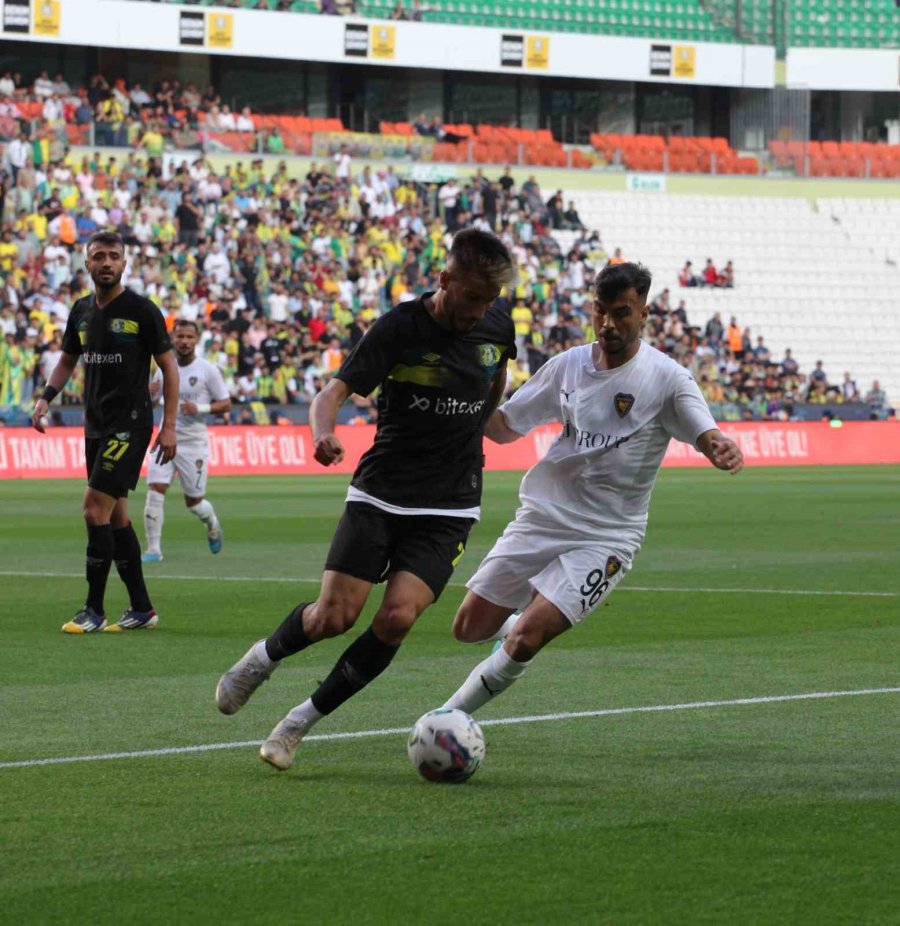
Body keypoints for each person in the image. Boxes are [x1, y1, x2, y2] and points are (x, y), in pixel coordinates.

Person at [215, 229, 518, 770]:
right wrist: (321, 433)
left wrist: (483, 424)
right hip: (382, 492)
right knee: (334, 616)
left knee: (397, 617)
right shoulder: (399, 327)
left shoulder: (497, 326)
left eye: (489, 300)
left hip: (450, 503)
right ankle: (260, 660)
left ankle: (297, 723)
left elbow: (495, 378)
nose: (480, 310)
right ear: (445, 280)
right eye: (472, 297)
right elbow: (331, 394)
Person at [429, 262, 744, 720]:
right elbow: (500, 428)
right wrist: (464, 391)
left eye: (621, 313)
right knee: (469, 627)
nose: (608, 324)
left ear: (644, 314)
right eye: (600, 312)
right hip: (544, 516)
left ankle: (447, 718)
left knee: (525, 640)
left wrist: (718, 445)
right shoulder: (567, 367)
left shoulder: (668, 378)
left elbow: (705, 430)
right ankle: (527, 620)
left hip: (607, 536)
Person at [30, 231, 178, 633]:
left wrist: (169, 426)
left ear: (125, 263)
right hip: (95, 425)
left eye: (115, 255)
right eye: (100, 256)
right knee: (115, 518)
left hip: (130, 424)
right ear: (88, 264)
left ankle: (93, 611)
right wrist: (46, 397)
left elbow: (169, 367)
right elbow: (66, 361)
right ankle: (142, 609)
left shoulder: (142, 311)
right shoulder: (80, 311)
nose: (107, 262)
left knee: (93, 508)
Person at [142, 319, 231, 563]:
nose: (184, 341)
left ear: (197, 340)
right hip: (165, 437)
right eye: (180, 336)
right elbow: (152, 400)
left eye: (189, 337)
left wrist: (200, 407)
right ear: (173, 338)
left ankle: (211, 521)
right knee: (155, 489)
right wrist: (147, 394)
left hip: (194, 443)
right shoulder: (162, 368)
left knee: (194, 503)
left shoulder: (207, 370)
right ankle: (153, 550)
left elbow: (226, 402)